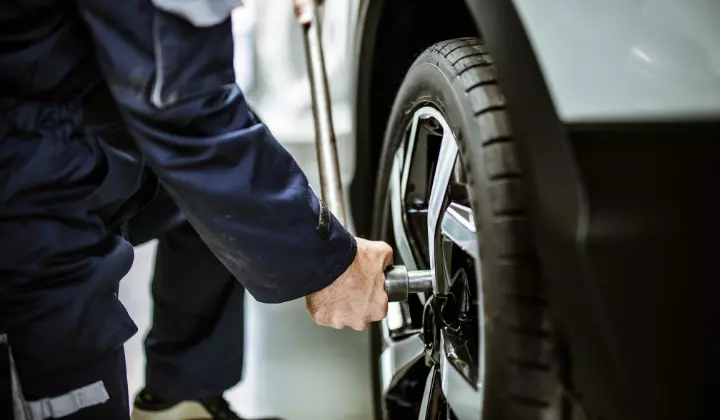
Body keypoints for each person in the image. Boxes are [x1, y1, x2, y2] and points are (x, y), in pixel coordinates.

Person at [0, 0, 391, 419]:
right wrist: (330, 262)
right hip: (21, 190)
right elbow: (187, 112)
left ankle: (180, 399)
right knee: (221, 178)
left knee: (215, 202)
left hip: (48, 133)